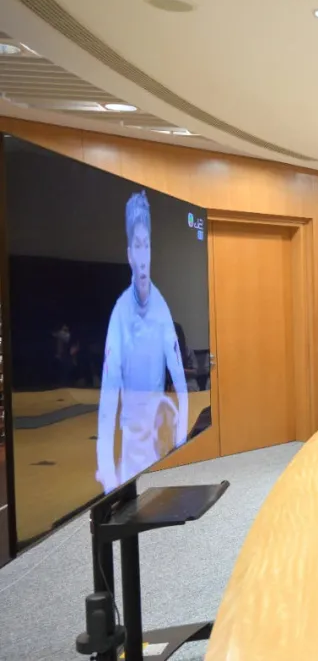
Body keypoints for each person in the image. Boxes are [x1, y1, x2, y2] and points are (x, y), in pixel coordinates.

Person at [97, 191, 188, 493]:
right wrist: (107, 469)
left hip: (156, 441)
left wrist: (180, 437)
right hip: (131, 445)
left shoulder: (162, 310)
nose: (143, 255)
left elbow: (181, 383)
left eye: (146, 245)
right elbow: (108, 397)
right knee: (128, 488)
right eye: (137, 245)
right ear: (130, 254)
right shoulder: (119, 314)